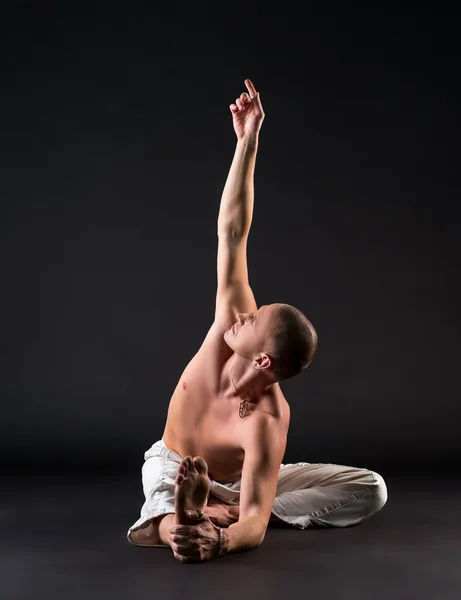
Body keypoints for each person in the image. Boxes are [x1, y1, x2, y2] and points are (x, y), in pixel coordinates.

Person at [127, 79, 388, 563]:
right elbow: (232, 230)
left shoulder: (268, 422)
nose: (243, 314)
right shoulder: (228, 326)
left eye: (253, 320)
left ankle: (213, 515)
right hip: (172, 463)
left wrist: (231, 536)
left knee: (371, 488)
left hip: (232, 482)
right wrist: (248, 140)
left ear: (263, 357)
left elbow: (254, 532)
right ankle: (183, 521)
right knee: (166, 502)